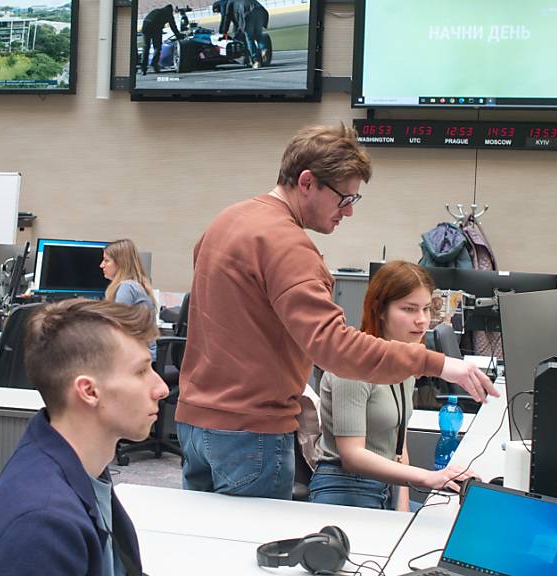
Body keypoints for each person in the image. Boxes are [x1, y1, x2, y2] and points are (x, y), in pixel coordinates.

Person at [176, 124, 497, 500]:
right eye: (344, 199)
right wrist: (440, 364)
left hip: (195, 423)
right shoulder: (287, 245)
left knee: (206, 543)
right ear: (307, 182)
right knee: (251, 550)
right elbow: (335, 348)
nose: (348, 213)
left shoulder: (226, 222)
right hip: (251, 431)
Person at [0, 299, 167, 576]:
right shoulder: (40, 528)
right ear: (89, 391)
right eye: (141, 371)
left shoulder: (83, 467)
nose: (162, 388)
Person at [309, 261, 477, 510]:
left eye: (426, 309)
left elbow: (399, 444)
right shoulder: (354, 365)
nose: (421, 321)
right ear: (380, 310)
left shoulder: (406, 362)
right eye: (409, 309)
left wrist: (403, 507)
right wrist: (427, 478)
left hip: (386, 487)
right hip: (345, 490)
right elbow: (352, 456)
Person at [101, 238, 158, 361]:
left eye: (106, 261)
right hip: (140, 354)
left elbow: (117, 326)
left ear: (121, 263)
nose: (101, 265)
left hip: (137, 357)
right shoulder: (136, 284)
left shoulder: (127, 287)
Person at [214, 0, 269, 68]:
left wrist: (223, 32)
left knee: (249, 38)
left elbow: (226, 18)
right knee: (259, 36)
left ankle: (256, 61)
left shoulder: (229, 2)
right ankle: (263, 49)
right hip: (260, 11)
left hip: (247, 13)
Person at [140, 4, 182, 75]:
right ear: (170, 10)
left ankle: (143, 68)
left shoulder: (157, 10)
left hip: (145, 26)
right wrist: (179, 36)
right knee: (157, 47)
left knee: (146, 48)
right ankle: (154, 64)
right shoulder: (168, 13)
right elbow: (173, 26)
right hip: (155, 27)